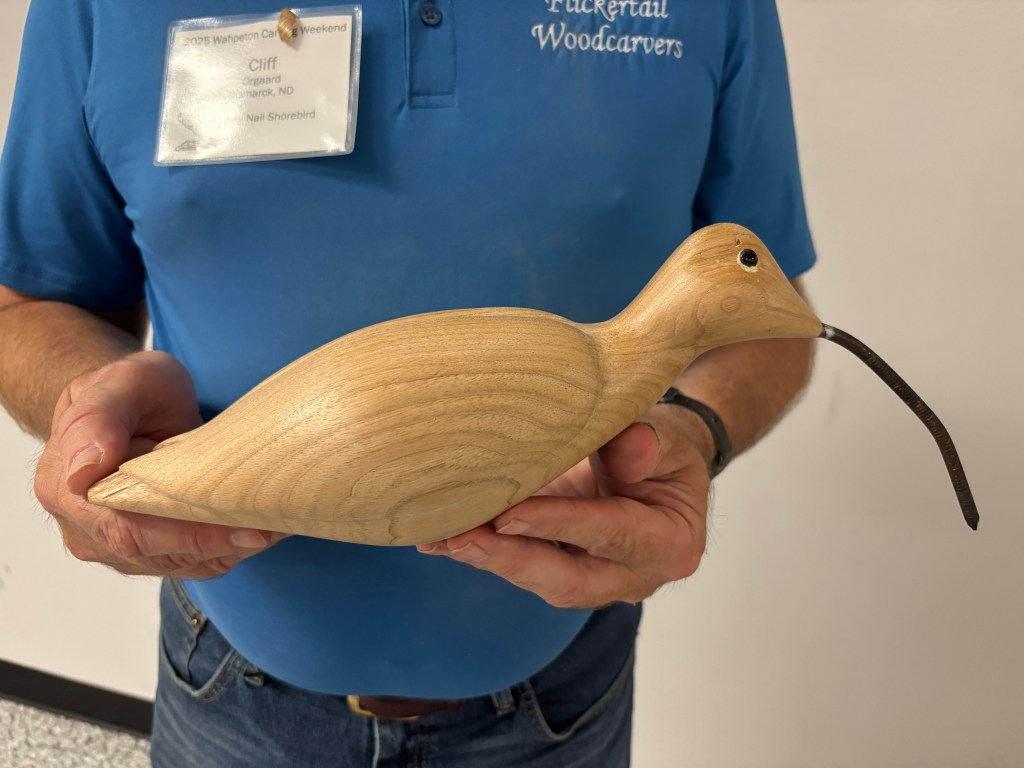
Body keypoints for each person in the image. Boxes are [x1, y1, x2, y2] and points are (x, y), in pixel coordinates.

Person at [0, 1, 815, 765]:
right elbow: (29, 303)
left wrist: (691, 429)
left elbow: (773, 320)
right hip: (227, 681)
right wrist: (93, 410)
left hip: (564, 691)